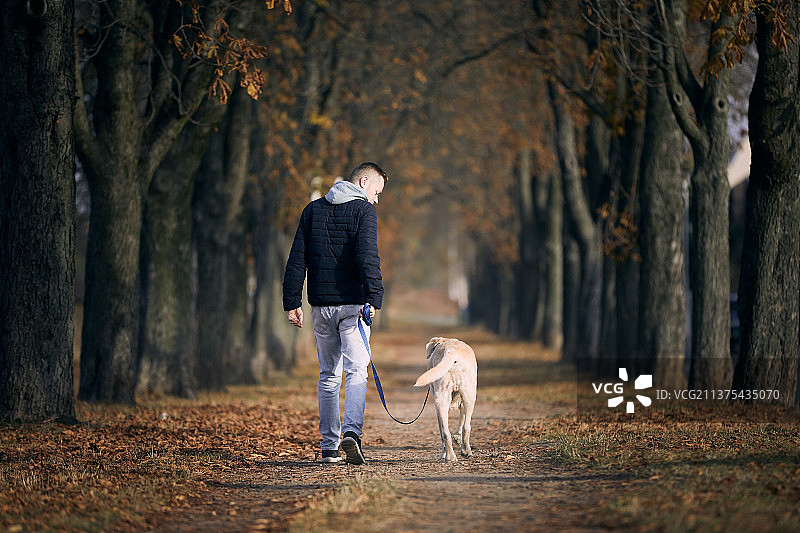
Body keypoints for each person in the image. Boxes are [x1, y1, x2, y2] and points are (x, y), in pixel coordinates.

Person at [282, 162, 387, 464]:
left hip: (320, 307)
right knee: (356, 372)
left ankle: (329, 447)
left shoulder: (312, 209)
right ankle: (351, 433)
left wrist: (292, 301)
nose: (376, 199)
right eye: (376, 192)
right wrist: (374, 298)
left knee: (329, 375)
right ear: (363, 181)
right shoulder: (363, 211)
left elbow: (296, 258)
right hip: (353, 307)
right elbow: (368, 255)